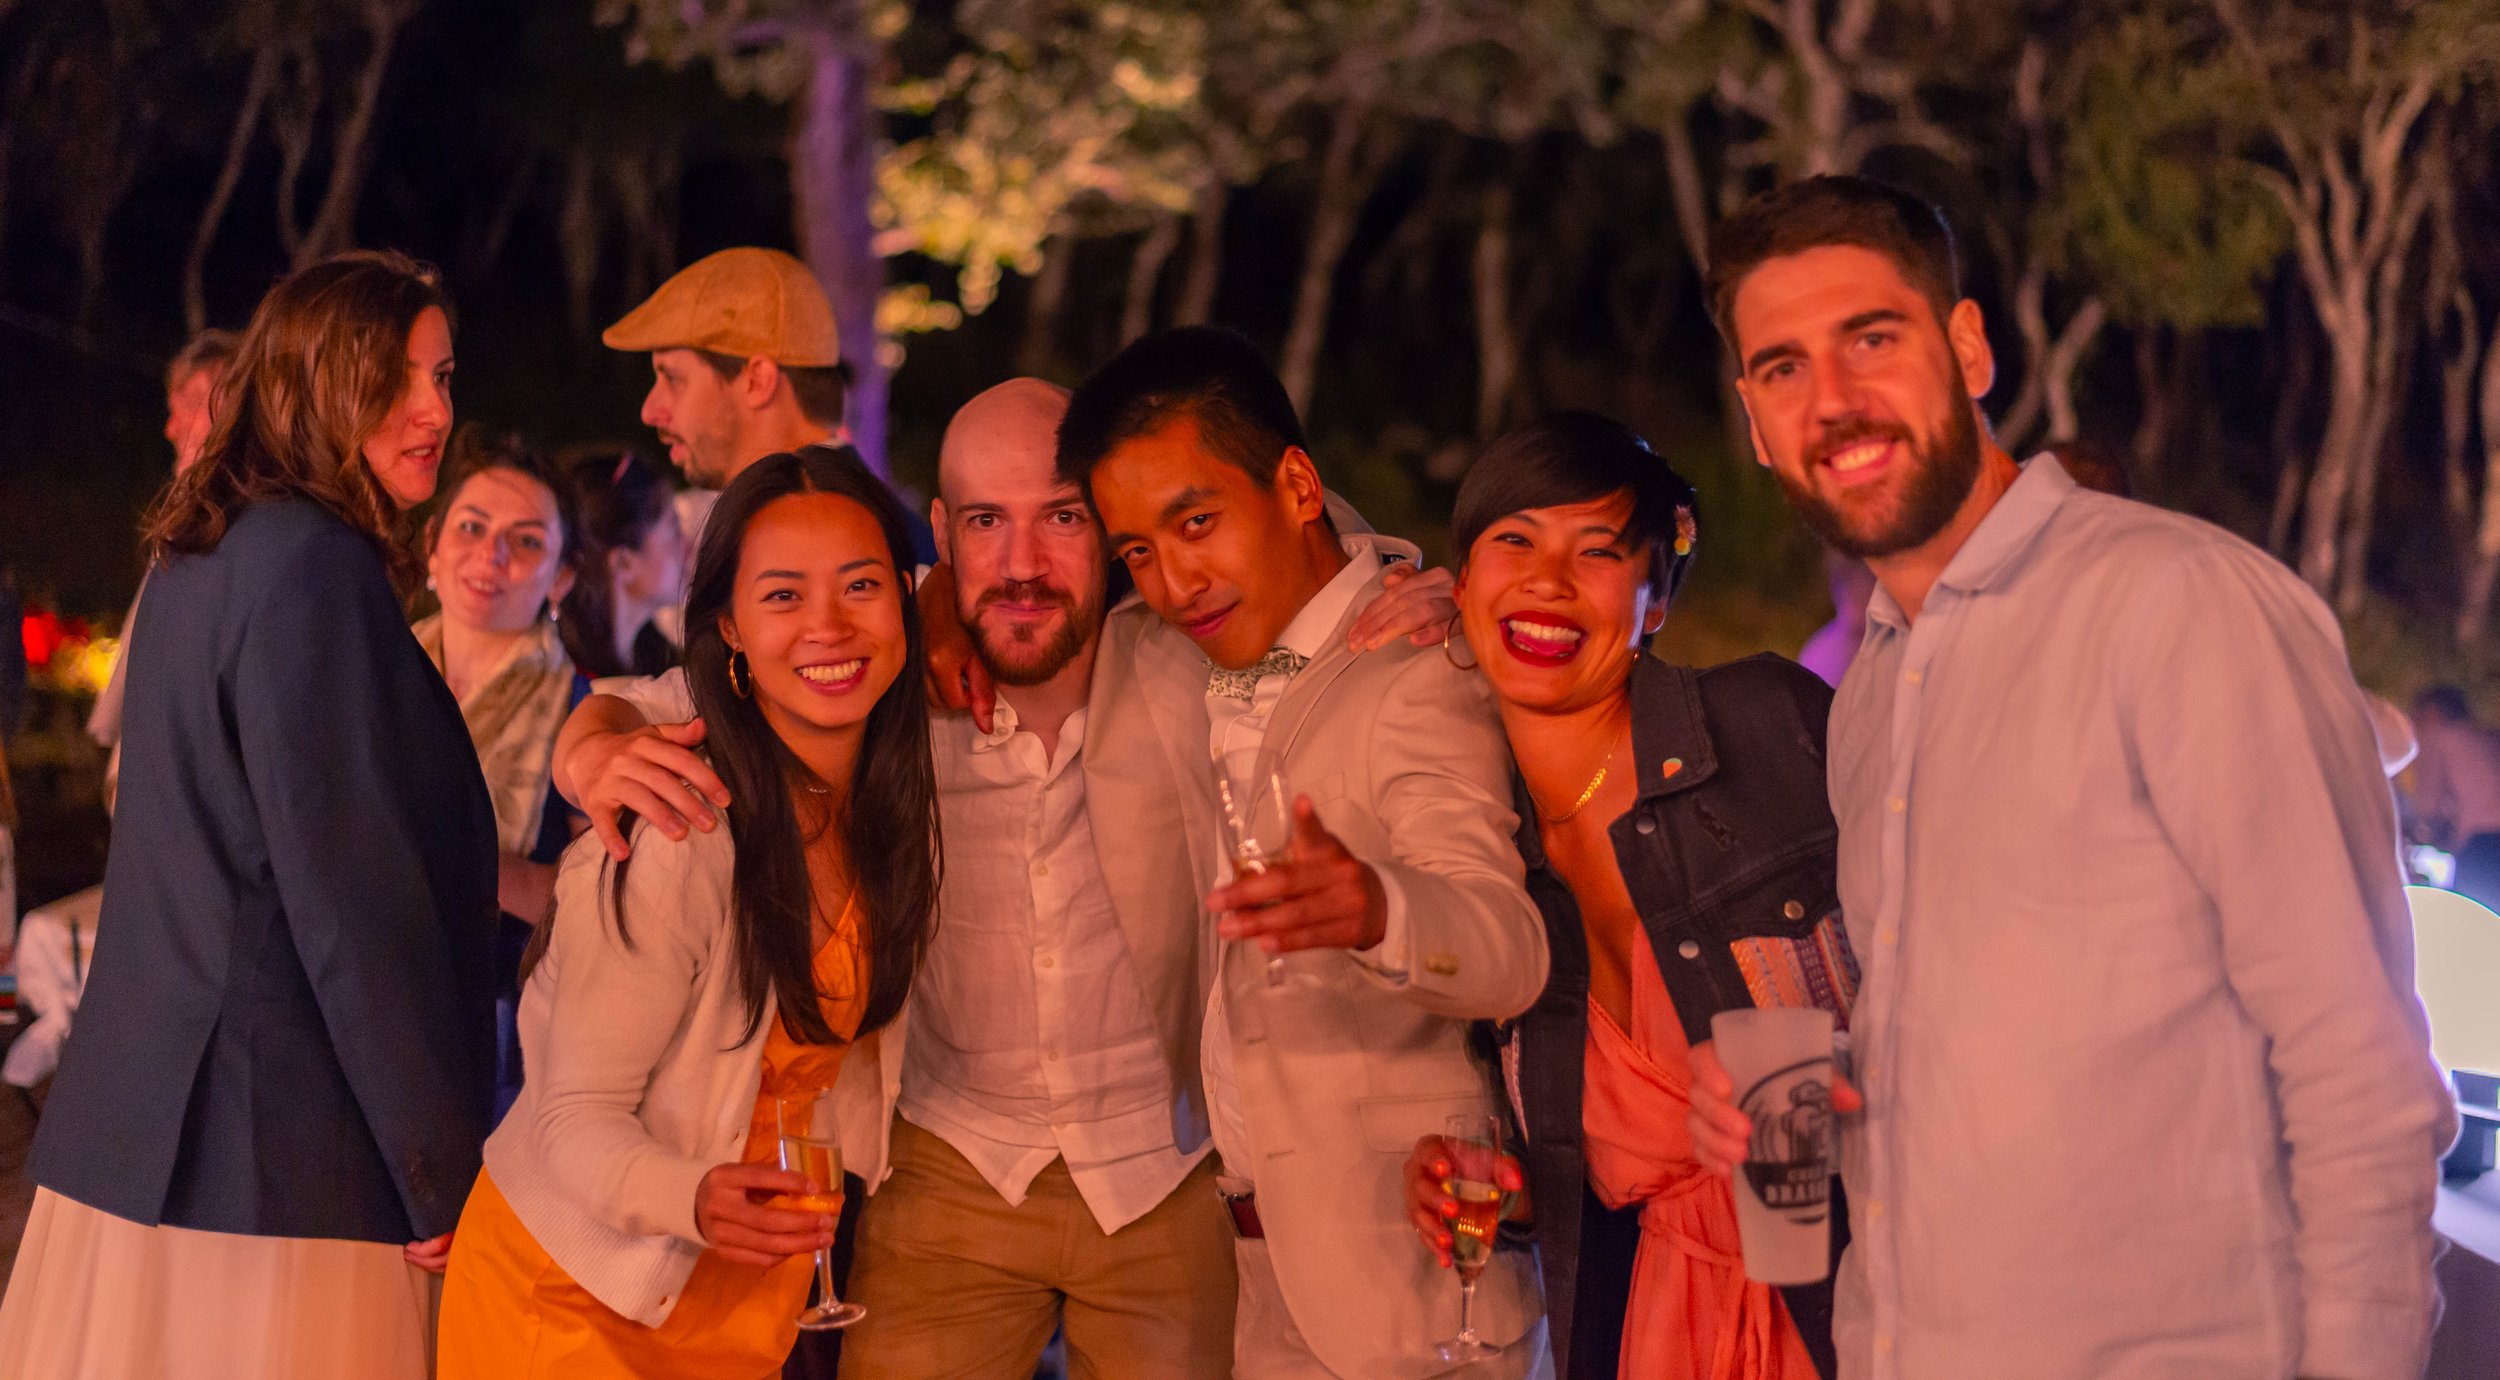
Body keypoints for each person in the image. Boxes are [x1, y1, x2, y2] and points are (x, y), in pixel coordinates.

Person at [1686, 175, 2451, 1380]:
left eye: (1870, 340)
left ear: (1967, 348)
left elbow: (2362, 1077)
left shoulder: (2175, 604)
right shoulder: (1873, 688)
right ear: (1752, 418)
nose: (1830, 400)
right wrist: (1818, 1089)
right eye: (1783, 368)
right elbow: (1995, 1038)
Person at [549, 379, 1462, 1379]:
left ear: (1108, 525)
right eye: (986, 522)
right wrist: (591, 742)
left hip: (1163, 1174)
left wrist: (1400, 578)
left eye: (1061, 518)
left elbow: (1285, 553)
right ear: (942, 534)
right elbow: (701, 688)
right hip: (947, 1168)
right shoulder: (881, 672)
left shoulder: (1185, 661)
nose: (1022, 565)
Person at [0, 251, 497, 1380]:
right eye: (397, 378)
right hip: (278, 1156)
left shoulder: (200, 555)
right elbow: (349, 903)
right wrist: (433, 1165)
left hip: (142, 1137)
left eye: (442, 377)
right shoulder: (316, 569)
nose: (434, 410)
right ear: (316, 382)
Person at [1050, 326, 1549, 1379]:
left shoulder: (1423, 660)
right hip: (1242, 1280)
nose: (1175, 581)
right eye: (1137, 551)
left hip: (1412, 1283)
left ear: (1297, 486)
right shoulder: (1158, 652)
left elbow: (1506, 946)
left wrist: (1379, 909)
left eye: (1197, 523)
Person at [436, 448, 940, 1380]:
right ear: (730, 628)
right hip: (577, 1294)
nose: (829, 624)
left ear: (908, 600)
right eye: (784, 595)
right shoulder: (685, 823)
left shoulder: (887, 801)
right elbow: (572, 1117)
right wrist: (695, 1196)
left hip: (743, 1293)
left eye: (862, 585)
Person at [1398, 413, 1849, 1380]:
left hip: (1859, 1303)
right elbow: (1597, 1179)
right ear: (1462, 586)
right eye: (1514, 540)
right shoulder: (1484, 865)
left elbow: (1962, 963)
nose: (1548, 580)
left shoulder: (1769, 728)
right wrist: (1512, 1194)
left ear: (1654, 603)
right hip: (1654, 1333)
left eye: (1597, 550)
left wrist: (1858, 1078)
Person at [5, 330, 242, 1092]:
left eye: (190, 404)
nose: (172, 427)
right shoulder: (191, 527)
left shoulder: (243, 532)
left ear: (236, 401)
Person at [418, 427, 590, 1119]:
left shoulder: (585, 713)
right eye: (471, 527)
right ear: (431, 545)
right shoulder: (372, 674)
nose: (491, 555)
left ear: (562, 578)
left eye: (526, 541)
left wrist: (458, 859)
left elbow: (600, 903)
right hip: (352, 999)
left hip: (492, 1038)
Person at [559, 446, 688, 680]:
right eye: (673, 530)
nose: (688, 546)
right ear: (623, 563)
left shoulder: (666, 667)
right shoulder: (570, 684)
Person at [2408, 684, 2500, 900]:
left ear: (2433, 713)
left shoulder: (2439, 738)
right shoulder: (2489, 736)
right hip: (2486, 837)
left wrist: (2422, 832)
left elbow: (2430, 805)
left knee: (2478, 909)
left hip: (2482, 842)